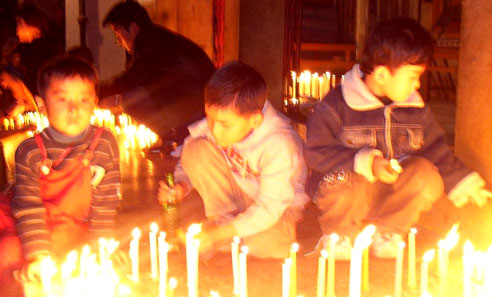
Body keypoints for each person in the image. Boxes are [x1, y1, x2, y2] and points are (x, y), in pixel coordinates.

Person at [304, 17, 492, 260]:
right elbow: (316, 152)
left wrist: (463, 181)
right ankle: (339, 234)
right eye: (413, 75)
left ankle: (389, 232)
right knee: (345, 180)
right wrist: (367, 163)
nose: (417, 83)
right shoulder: (335, 106)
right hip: (346, 194)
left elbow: (436, 149)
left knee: (427, 175)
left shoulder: (416, 110)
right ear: (382, 74)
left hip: (391, 196)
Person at [0, 56, 121, 296]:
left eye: (83, 99)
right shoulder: (30, 151)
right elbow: (28, 206)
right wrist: (38, 255)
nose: (73, 109)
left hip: (70, 226)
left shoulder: (104, 144)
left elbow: (105, 203)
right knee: (3, 253)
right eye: (62, 99)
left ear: (94, 103)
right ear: (42, 105)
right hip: (28, 220)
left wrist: (103, 247)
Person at [158, 61, 309, 258]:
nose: (215, 131)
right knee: (197, 148)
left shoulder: (280, 145)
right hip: (238, 192)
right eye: (210, 119)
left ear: (255, 120)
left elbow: (270, 206)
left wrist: (222, 234)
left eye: (224, 125)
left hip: (278, 205)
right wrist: (181, 186)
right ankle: (222, 222)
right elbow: (188, 153)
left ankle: (225, 234)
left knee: (272, 244)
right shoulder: (222, 118)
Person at [100, 0, 215, 148]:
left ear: (133, 28)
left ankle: (176, 138)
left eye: (118, 34)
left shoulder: (152, 43)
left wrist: (98, 94)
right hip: (192, 99)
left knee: (127, 101)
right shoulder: (155, 38)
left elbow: (133, 79)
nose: (118, 41)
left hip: (197, 103)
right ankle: (171, 137)